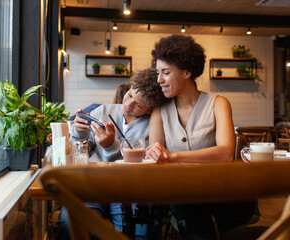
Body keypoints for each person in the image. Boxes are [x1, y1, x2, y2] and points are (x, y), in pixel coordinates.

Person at [145, 34, 256, 239]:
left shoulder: (218, 103)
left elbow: (225, 153)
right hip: (180, 196)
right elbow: (155, 158)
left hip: (222, 195)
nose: (159, 79)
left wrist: (174, 156)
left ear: (187, 72)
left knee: (189, 209)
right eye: (157, 73)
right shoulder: (159, 111)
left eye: (166, 72)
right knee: (185, 203)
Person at [55, 68, 168, 240]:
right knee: (74, 223)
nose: (128, 105)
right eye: (130, 95)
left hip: (127, 190)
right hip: (93, 184)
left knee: (125, 232)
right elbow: (83, 149)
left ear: (150, 110)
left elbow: (143, 164)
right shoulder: (102, 111)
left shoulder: (153, 124)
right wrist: (79, 132)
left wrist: (110, 146)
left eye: (138, 105)